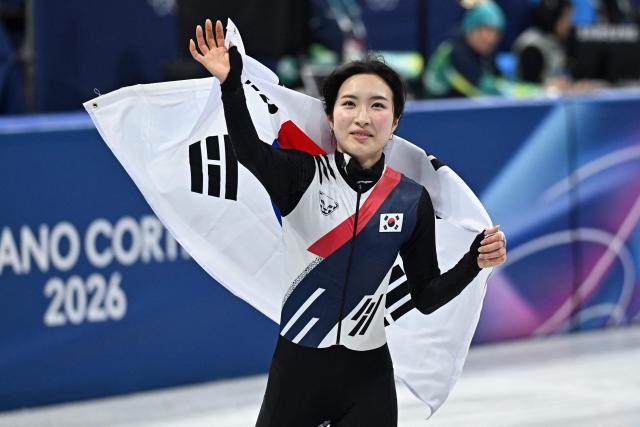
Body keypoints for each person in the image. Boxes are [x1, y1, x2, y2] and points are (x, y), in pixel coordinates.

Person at [189, 19, 507, 426]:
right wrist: (230, 83)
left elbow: (425, 295)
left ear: (394, 123)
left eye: (378, 105)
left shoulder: (411, 200)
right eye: (350, 103)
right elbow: (249, 151)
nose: (362, 117)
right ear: (331, 115)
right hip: (297, 377)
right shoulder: (300, 176)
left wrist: (473, 264)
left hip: (368, 381)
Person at [423, 1, 509, 98]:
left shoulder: (483, 54)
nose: (490, 39)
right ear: (470, 28)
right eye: (484, 31)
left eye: (496, 33)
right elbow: (485, 88)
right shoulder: (455, 51)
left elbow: (498, 78)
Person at [513, 0, 574, 86]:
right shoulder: (532, 46)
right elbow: (530, 85)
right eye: (566, 18)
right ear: (553, 16)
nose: (569, 24)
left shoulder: (556, 40)